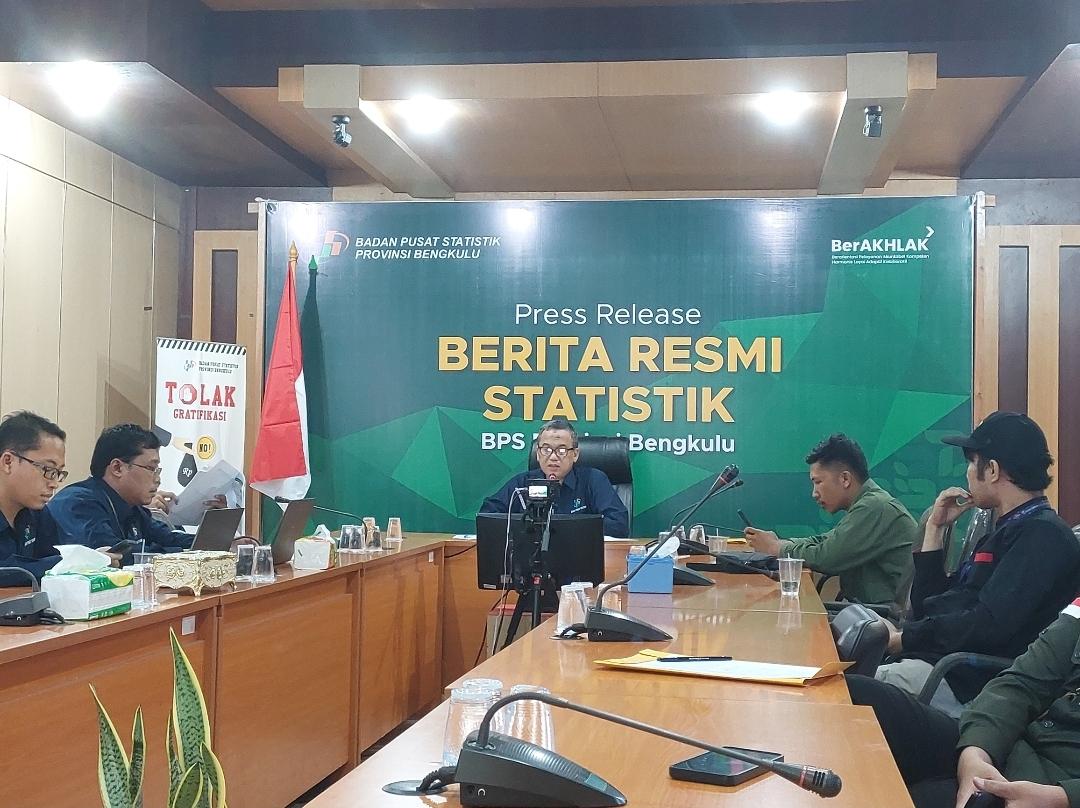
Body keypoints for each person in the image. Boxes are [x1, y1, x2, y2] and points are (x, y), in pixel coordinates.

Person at [872, 411, 1080, 715]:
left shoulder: (1043, 536)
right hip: (942, 666)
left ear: (992, 470)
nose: (968, 473)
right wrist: (935, 529)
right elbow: (929, 606)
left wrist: (905, 639)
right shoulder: (1005, 531)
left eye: (972, 462)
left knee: (852, 686)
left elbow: (988, 625)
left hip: (974, 687)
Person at [847, 595, 1080, 808]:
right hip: (1013, 749)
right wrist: (975, 752)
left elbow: (988, 623)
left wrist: (1064, 798)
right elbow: (1021, 683)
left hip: (1052, 786)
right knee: (860, 696)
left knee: (907, 799)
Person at [744, 433, 916, 604]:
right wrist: (780, 543)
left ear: (845, 479)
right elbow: (825, 541)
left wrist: (776, 548)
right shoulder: (867, 504)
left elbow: (826, 557)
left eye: (818, 482)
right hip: (867, 609)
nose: (814, 493)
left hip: (886, 615)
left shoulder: (875, 507)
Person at [48, 424, 194, 559]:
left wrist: (205, 541)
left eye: (157, 470)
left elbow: (169, 539)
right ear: (117, 468)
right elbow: (116, 555)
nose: (157, 480)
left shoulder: (133, 507)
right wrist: (180, 553)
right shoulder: (78, 504)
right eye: (151, 469)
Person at [480, 419, 629, 538]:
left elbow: (619, 525)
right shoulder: (521, 484)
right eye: (546, 449)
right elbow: (487, 516)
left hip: (581, 559)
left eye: (561, 450)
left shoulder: (593, 480)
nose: (553, 457)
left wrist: (567, 530)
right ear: (538, 454)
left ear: (575, 454)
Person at [0, 411, 66, 585]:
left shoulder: (37, 513)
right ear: (8, 462)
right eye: (47, 470)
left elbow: (55, 559)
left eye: (58, 473)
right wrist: (67, 564)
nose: (54, 484)